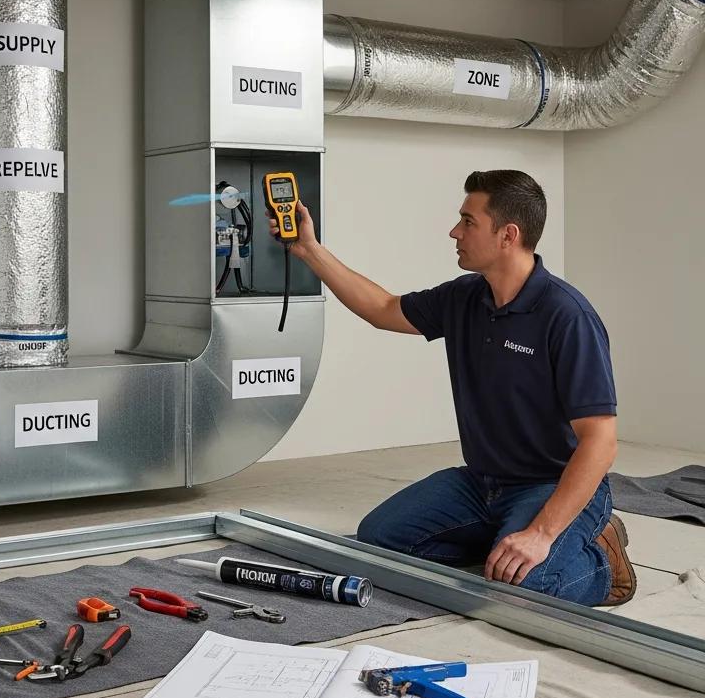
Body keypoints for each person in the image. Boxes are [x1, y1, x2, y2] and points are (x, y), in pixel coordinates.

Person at [271, 169, 634, 606]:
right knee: (379, 540)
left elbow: (601, 441)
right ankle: (506, 541)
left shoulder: (566, 315)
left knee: (526, 590)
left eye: (468, 221)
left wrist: (540, 533)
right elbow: (383, 309)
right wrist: (309, 250)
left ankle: (600, 558)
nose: (454, 231)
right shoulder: (465, 297)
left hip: (551, 486)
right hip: (482, 484)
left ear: (508, 235)